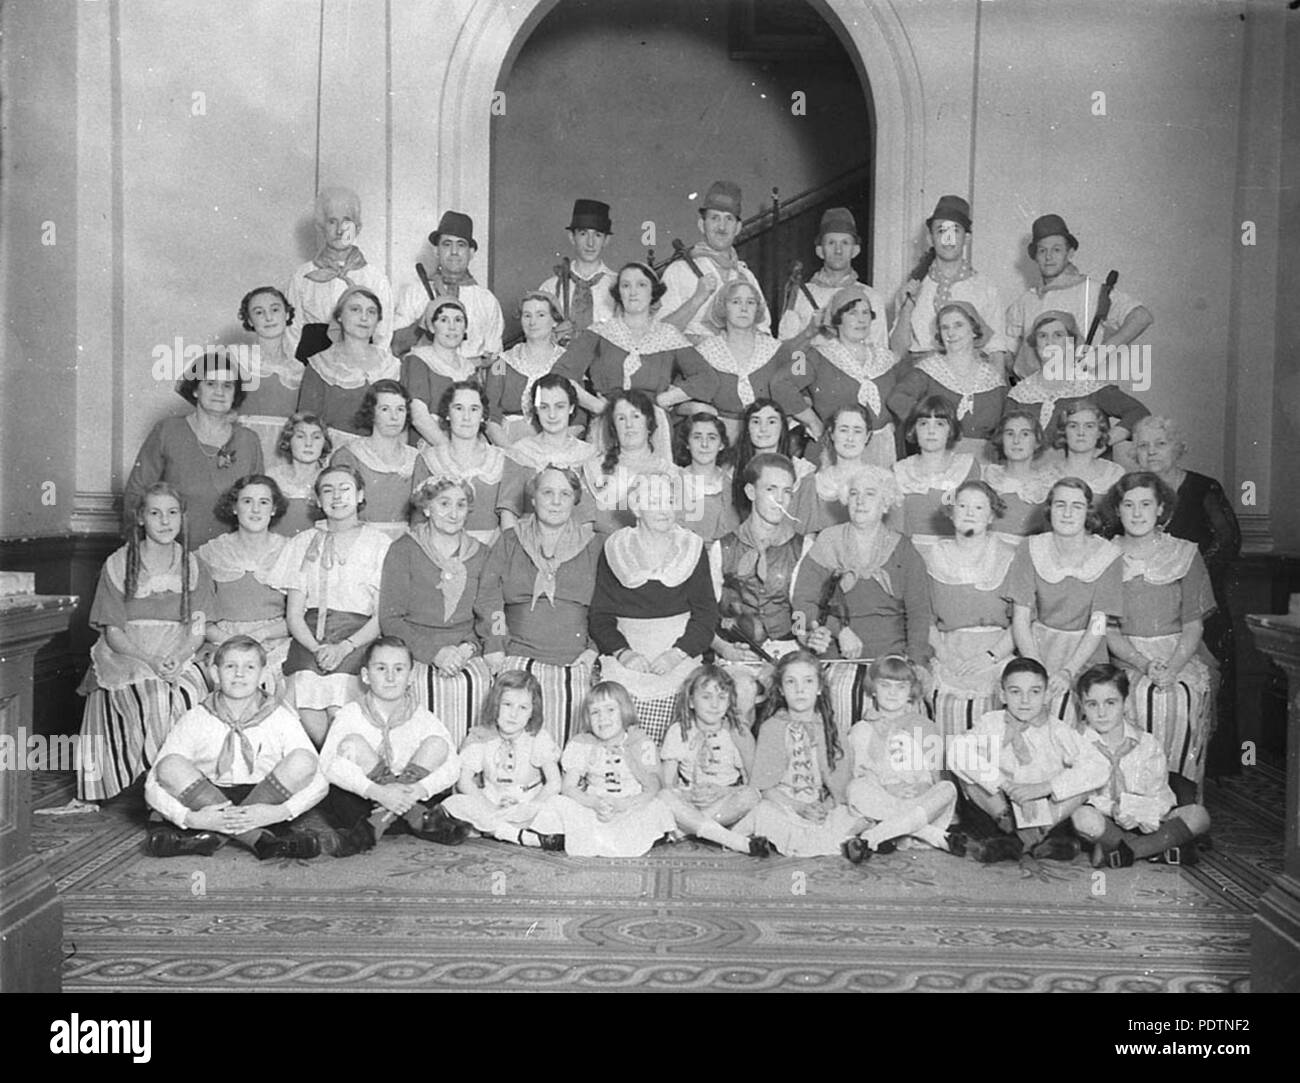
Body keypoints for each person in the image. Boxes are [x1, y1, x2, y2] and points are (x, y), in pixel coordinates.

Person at [77, 484, 214, 804]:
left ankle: (187, 792)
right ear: (141, 518)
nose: (165, 521)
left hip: (179, 651)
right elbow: (114, 633)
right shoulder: (118, 564)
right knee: (156, 700)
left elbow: (197, 629)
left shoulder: (193, 566)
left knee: (190, 695)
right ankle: (169, 797)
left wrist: (179, 657)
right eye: (155, 513)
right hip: (128, 655)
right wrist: (150, 660)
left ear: (182, 517)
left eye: (172, 513)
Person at [144, 636, 326, 859]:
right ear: (214, 673)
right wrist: (190, 818)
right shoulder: (196, 717)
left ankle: (211, 837)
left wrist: (280, 812)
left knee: (304, 760)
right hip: (206, 798)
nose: (239, 674)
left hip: (264, 797)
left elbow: (319, 780)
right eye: (230, 666)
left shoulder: (280, 716)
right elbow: (153, 782)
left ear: (262, 674)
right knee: (169, 765)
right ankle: (260, 840)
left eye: (249, 667)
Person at [1132, 415, 1240, 777]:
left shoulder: (1203, 488)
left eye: (1160, 444)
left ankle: (1203, 768)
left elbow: (1228, 542)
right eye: (1143, 445)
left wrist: (1181, 579)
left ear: (1179, 448)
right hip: (1147, 609)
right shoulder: (1132, 490)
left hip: (1200, 602)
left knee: (1207, 680)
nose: (1151, 452)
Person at [792, 464, 933, 738]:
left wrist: (915, 663)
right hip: (839, 657)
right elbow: (802, 601)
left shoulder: (903, 547)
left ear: (885, 503)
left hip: (891, 655)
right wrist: (838, 630)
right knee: (843, 699)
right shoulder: (829, 540)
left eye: (870, 494)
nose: (860, 500)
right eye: (854, 493)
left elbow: (918, 612)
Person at [1104, 472, 1217, 803]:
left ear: (1161, 509)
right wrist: (1142, 663)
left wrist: (1172, 666)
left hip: (1177, 653)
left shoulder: (1184, 553)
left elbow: (1194, 626)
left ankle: (1179, 804)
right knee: (1136, 698)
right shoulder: (1105, 555)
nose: (1137, 513)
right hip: (1125, 654)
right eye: (1128, 505)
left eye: (1145, 504)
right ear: (1118, 510)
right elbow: (1107, 629)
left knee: (1178, 699)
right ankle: (1131, 803)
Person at [589, 473, 719, 744]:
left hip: (680, 651)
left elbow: (706, 614)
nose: (664, 509)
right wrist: (624, 654)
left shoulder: (692, 547)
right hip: (629, 652)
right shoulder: (615, 547)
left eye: (670, 501)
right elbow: (600, 616)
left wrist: (677, 654)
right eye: (655, 501)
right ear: (636, 508)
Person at [478, 465, 602, 745]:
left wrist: (593, 649)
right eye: (547, 492)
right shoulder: (511, 540)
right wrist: (496, 642)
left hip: (574, 657)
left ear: (575, 500)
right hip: (517, 652)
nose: (556, 501)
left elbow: (604, 608)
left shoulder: (594, 546)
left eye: (565, 494)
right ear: (533, 498)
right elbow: (490, 598)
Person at [269, 464, 392, 747]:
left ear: (360, 495)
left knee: (341, 710)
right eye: (328, 490)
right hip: (310, 639)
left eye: (345, 489)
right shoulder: (303, 542)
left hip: (358, 637)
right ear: (318, 500)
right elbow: (294, 614)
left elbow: (381, 614)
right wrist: (316, 648)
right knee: (307, 706)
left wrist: (345, 647)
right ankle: (332, 765)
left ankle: (341, 768)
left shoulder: (379, 543)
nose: (337, 497)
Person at [947, 658, 1109, 863]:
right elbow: (957, 751)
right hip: (1000, 806)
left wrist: (1045, 787)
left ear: (1046, 695)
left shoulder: (1057, 729)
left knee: (1084, 785)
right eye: (1015, 692)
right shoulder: (991, 722)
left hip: (1047, 808)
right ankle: (1019, 835)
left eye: (1034, 692)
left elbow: (1099, 765)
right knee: (967, 772)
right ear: (1002, 694)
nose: (1025, 700)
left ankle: (1026, 838)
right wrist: (1005, 785)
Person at [318, 636, 467, 853]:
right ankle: (419, 819)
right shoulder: (350, 714)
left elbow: (452, 765)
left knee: (438, 744)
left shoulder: (421, 715)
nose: (390, 677)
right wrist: (379, 792)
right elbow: (328, 765)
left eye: (399, 669)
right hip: (366, 800)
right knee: (353, 744)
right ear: (366, 676)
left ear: (410, 677)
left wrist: (416, 790)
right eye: (381, 668)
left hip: (410, 795)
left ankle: (376, 825)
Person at [378, 476, 493, 748]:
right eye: (444, 504)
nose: (454, 513)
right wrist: (435, 654)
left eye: (461, 505)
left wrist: (466, 649)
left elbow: (489, 612)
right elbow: (390, 618)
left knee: (481, 686)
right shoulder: (404, 549)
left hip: (465, 649)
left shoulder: (483, 553)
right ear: (427, 508)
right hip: (414, 647)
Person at [1069, 663, 1211, 868]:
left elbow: (1160, 794)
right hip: (1106, 819)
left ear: (1125, 703)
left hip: (1148, 818)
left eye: (1110, 703)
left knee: (1199, 816)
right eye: (1092, 704)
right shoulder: (1076, 743)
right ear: (1081, 706)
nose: (1101, 712)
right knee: (1082, 817)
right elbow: (1082, 794)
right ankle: (1158, 847)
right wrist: (1113, 809)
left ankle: (1127, 850)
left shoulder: (1147, 743)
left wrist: (1143, 814)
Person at [552, 261, 719, 434]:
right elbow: (560, 375)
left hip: (654, 426)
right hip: (609, 424)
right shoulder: (599, 333)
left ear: (653, 291)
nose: (633, 292)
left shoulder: (668, 336)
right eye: (626, 285)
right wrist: (597, 406)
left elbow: (707, 378)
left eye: (641, 285)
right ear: (618, 293)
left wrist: (665, 399)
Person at [1008, 477, 1124, 725]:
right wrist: (1037, 667)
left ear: (1088, 512)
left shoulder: (1108, 555)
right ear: (1050, 510)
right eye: (1060, 505)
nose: (1068, 513)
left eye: (1077, 506)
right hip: (1037, 648)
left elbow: (1098, 623)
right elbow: (1020, 618)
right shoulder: (1030, 547)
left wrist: (1068, 670)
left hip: (1086, 653)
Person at [124, 347, 264, 548]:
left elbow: (260, 504)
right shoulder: (168, 431)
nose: (219, 392)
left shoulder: (248, 441)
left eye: (227, 386)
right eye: (210, 384)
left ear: (235, 394)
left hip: (233, 557)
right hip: (175, 552)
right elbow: (136, 495)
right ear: (196, 389)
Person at [735, 650, 867, 857]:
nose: (800, 690)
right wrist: (798, 807)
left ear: (819, 688)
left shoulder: (832, 727)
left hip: (822, 804)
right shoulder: (771, 727)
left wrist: (824, 806)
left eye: (807, 681)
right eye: (791, 682)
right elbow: (765, 787)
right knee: (764, 813)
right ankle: (837, 843)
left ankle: (816, 841)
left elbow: (840, 786)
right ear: (780, 689)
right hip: (786, 804)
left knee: (855, 811)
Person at [527, 681, 677, 857]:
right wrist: (593, 803)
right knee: (556, 803)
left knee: (658, 805)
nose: (602, 718)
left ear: (625, 711)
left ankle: (618, 839)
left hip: (630, 805)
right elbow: (568, 787)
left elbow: (652, 786)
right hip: (593, 806)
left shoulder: (639, 741)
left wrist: (625, 804)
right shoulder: (582, 743)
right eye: (595, 712)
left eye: (610, 710)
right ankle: (591, 838)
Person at [921, 480, 1018, 740]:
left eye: (978, 507)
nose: (969, 512)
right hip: (948, 649)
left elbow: (1022, 621)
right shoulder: (933, 556)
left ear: (991, 515)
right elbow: (925, 616)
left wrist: (990, 656)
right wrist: (944, 655)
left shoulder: (1010, 556)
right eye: (962, 505)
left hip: (995, 652)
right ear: (951, 513)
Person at [1005, 214, 1154, 379]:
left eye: (1056, 250)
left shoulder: (1093, 291)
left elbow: (1142, 316)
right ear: (1035, 256)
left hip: (1080, 392)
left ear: (1070, 253)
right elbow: (1007, 350)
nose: (1048, 257)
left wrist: (1099, 355)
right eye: (1042, 250)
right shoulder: (1026, 301)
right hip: (1034, 395)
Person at [842, 655, 958, 861]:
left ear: (910, 692)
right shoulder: (863, 728)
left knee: (948, 789)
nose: (893, 693)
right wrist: (889, 788)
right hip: (883, 796)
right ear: (874, 690)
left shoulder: (924, 725)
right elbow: (860, 771)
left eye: (901, 687)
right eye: (885, 686)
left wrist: (924, 786)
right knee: (856, 789)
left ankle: (875, 836)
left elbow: (934, 771)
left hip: (917, 797)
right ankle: (928, 834)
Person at [441, 669, 565, 848]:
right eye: (507, 704)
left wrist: (532, 805)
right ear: (495, 704)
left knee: (558, 805)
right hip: (490, 803)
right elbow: (464, 782)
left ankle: (492, 830)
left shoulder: (537, 737)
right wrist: (487, 807)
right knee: (453, 804)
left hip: (528, 802)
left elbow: (554, 783)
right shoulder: (481, 736)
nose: (513, 714)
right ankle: (514, 835)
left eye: (523, 708)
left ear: (532, 711)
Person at [771, 283, 900, 455]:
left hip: (881, 450)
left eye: (866, 313)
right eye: (852, 313)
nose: (861, 320)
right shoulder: (814, 355)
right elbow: (780, 383)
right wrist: (813, 422)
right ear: (837, 319)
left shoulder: (885, 358)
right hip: (834, 452)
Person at [891, 195, 1011, 372]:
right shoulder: (912, 288)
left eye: (955, 231)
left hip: (970, 379)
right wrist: (908, 306)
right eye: (941, 231)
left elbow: (996, 351)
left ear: (967, 238)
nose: (948, 239)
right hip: (922, 380)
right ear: (930, 239)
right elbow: (897, 352)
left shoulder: (985, 288)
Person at [657, 665, 768, 856]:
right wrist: (688, 795)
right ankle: (732, 840)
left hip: (724, 802)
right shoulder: (679, 730)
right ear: (691, 701)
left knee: (752, 796)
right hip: (691, 798)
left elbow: (751, 782)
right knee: (663, 797)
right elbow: (667, 783)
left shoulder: (736, 732)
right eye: (706, 697)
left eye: (722, 697)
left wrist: (723, 791)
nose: (714, 705)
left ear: (730, 701)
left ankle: (687, 829)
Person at [1006, 310, 1149, 453]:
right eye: (1043, 336)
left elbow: (1139, 413)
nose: (1050, 342)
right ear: (1035, 344)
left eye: (1058, 335)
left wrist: (1103, 443)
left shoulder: (1089, 387)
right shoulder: (1020, 394)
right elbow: (1004, 440)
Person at [197, 475, 291, 693]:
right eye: (247, 501)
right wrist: (228, 641)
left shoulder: (290, 551)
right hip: (221, 642)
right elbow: (196, 616)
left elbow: (300, 615)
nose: (255, 510)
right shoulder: (209, 553)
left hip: (275, 642)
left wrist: (262, 634)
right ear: (234, 507)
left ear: (274, 509)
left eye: (264, 502)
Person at [887, 299, 1007, 458]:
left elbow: (1007, 422)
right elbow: (896, 399)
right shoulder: (928, 370)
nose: (951, 333)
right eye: (945, 328)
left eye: (958, 325)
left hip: (985, 458)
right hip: (939, 456)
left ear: (974, 329)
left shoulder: (992, 377)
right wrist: (930, 422)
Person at [285, 186, 393, 359]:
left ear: (358, 228)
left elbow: (383, 336)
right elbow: (291, 333)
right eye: (332, 221)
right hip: (311, 360)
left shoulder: (375, 278)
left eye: (347, 221)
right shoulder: (303, 276)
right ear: (321, 227)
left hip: (360, 360)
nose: (340, 230)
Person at [412, 381, 523, 545]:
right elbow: (418, 521)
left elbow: (508, 523)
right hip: (438, 551)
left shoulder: (502, 460)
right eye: (458, 408)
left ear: (483, 415)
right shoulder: (427, 459)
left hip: (490, 553)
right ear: (448, 413)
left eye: (474, 409)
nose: (466, 417)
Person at [659, 180, 769, 339]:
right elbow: (658, 336)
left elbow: (764, 334)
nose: (722, 227)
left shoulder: (747, 278)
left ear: (738, 228)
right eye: (714, 218)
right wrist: (696, 300)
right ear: (702, 225)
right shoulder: (678, 272)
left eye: (729, 219)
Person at [295, 286, 401, 448]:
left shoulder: (392, 365)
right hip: (335, 454)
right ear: (339, 316)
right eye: (355, 310)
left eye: (371, 312)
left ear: (378, 320)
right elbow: (306, 423)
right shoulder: (320, 363)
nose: (364, 318)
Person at [391, 211, 503, 364]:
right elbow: (395, 347)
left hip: (472, 383)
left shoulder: (487, 300)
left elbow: (498, 359)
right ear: (436, 250)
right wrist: (422, 324)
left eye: (461, 245)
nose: (454, 252)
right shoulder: (414, 293)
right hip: (424, 382)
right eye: (447, 244)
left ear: (471, 253)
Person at [777, 207, 888, 351]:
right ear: (819, 250)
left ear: (855, 250)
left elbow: (880, 353)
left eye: (845, 243)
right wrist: (809, 333)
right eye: (831, 243)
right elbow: (784, 352)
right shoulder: (800, 294)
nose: (838, 250)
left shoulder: (871, 297)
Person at [692, 280, 785, 443]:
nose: (744, 308)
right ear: (723, 308)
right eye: (736, 302)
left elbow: (803, 396)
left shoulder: (776, 350)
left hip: (769, 441)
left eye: (750, 302)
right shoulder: (705, 352)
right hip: (721, 443)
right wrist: (703, 409)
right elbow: (681, 403)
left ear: (758, 309)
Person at [579, 389, 680, 535]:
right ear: (613, 428)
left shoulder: (670, 473)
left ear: (649, 424)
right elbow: (586, 521)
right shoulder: (594, 468)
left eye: (636, 416)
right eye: (621, 418)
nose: (629, 424)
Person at [330, 379, 419, 537]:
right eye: (385, 409)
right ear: (371, 413)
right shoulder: (349, 455)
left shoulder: (416, 458)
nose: (394, 417)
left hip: (405, 543)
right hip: (360, 541)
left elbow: (420, 516)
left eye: (400, 409)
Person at [890, 396, 979, 547]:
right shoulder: (899, 470)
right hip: (912, 551)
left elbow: (974, 524)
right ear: (914, 429)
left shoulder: (966, 466)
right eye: (923, 423)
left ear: (950, 429)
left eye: (939, 424)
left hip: (956, 551)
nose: (931, 431)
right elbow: (895, 527)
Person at [485, 292, 567, 446]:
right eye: (527, 315)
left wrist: (554, 447)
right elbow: (490, 415)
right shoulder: (500, 363)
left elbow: (579, 419)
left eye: (541, 315)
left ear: (555, 320)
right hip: (509, 442)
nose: (532, 322)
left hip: (557, 443)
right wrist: (512, 453)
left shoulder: (569, 362)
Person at [234, 285, 303, 466]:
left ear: (287, 314)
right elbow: (197, 392)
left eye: (275, 309)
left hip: (284, 454)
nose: (269, 317)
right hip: (243, 449)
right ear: (249, 320)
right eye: (259, 312)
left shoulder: (299, 369)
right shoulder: (236, 357)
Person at [791, 403, 883, 533]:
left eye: (857, 431)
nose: (850, 438)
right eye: (843, 430)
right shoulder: (811, 484)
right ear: (832, 434)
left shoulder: (880, 482)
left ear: (867, 436)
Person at [400, 297, 479, 447]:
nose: (452, 327)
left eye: (458, 320)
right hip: (429, 443)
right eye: (443, 320)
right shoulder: (417, 360)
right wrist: (450, 450)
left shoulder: (468, 368)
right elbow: (418, 416)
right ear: (431, 326)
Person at [536, 199, 619, 337]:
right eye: (583, 234)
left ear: (606, 240)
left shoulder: (619, 287)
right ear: (572, 237)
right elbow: (537, 342)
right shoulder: (549, 289)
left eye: (597, 235)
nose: (590, 243)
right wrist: (553, 336)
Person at [729, 397, 815, 519]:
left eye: (771, 422)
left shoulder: (802, 472)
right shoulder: (733, 473)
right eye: (756, 422)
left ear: (782, 428)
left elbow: (807, 521)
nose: (763, 429)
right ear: (747, 428)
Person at [501, 373, 598, 477]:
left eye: (559, 406)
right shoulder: (520, 452)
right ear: (536, 409)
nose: (552, 415)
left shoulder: (588, 454)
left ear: (571, 408)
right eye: (544, 407)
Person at [980, 408, 1055, 541]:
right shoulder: (986, 477)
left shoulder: (1048, 484)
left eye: (1025, 434)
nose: (1016, 441)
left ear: (1037, 441)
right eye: (1009, 434)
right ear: (1001, 439)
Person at [674, 412, 739, 543]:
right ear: (687, 443)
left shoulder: (731, 485)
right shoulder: (673, 481)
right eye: (697, 437)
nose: (704, 444)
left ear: (721, 445)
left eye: (712, 437)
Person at [1047, 399, 1126, 506]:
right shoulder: (1048, 474)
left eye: (1089, 426)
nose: (1081, 432)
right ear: (1064, 432)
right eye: (1073, 426)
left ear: (1099, 432)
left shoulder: (1115, 474)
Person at [267, 412, 331, 537]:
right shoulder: (273, 477)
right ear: (288, 440)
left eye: (316, 437)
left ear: (324, 442)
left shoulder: (330, 478)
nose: (309, 443)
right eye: (300, 436)